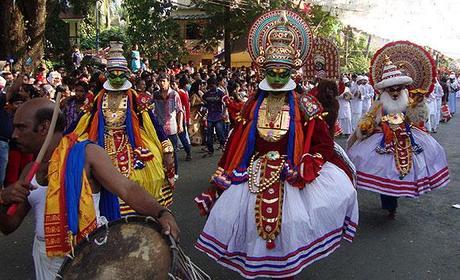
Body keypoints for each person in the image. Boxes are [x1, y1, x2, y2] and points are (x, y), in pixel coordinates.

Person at [194, 10, 358, 279]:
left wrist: (310, 163)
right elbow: (236, 143)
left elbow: (324, 145)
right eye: (273, 71)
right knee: (247, 227)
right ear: (263, 70)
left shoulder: (305, 105)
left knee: (291, 228)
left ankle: (285, 272)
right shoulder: (252, 105)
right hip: (253, 173)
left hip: (291, 174)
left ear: (292, 71)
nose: (278, 77)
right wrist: (220, 179)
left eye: (284, 72)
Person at [0, 98, 179, 280]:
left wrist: (162, 212)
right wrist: (3, 200)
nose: (14, 135)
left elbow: (127, 188)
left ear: (45, 127)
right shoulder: (29, 171)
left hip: (88, 255)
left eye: (21, 127)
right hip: (44, 260)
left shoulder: (86, 154)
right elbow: (8, 226)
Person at [72, 41, 176, 216]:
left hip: (132, 140)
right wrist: (64, 140)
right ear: (107, 75)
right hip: (101, 140)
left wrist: (166, 147)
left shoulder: (136, 97)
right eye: (114, 75)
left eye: (122, 75)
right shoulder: (97, 98)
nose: (118, 79)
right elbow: (81, 122)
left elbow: (154, 124)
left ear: (128, 76)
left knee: (146, 174)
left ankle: (145, 211)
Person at [348, 53, 449, 219]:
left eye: (398, 88)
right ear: (385, 90)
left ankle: (397, 197)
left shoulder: (409, 101)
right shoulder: (379, 103)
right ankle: (390, 204)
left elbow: (419, 118)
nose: (395, 93)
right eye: (391, 89)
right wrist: (367, 128)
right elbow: (368, 119)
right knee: (385, 171)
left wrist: (420, 105)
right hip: (384, 138)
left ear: (403, 88)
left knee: (407, 169)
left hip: (407, 136)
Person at [152, 73, 184, 175]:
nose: (161, 83)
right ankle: (164, 172)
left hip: (171, 127)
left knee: (173, 152)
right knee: (160, 151)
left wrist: (180, 125)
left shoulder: (174, 94)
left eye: (163, 81)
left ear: (168, 82)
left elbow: (180, 110)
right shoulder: (155, 95)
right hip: (159, 128)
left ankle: (175, 173)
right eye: (160, 81)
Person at [201, 77, 226, 157]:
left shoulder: (220, 93)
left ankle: (223, 146)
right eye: (210, 86)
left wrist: (224, 113)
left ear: (216, 85)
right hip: (210, 117)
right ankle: (210, 150)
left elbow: (225, 104)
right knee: (209, 135)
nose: (212, 87)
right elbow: (204, 101)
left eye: (213, 85)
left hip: (218, 116)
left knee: (220, 133)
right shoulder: (206, 94)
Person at [176, 76, 192, 161]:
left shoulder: (182, 93)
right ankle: (188, 151)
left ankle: (188, 151)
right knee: (182, 135)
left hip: (180, 116)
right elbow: (187, 107)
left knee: (182, 135)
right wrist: (188, 118)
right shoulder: (182, 93)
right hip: (181, 116)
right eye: (188, 83)